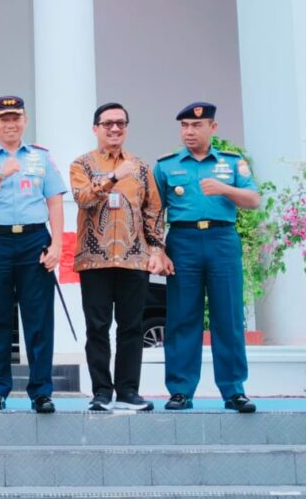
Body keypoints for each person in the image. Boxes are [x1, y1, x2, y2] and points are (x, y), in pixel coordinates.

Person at [0, 95, 66, 414]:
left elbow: (55, 202)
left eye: (16, 118)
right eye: (4, 119)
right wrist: (0, 175)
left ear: (25, 121)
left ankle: (41, 391)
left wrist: (58, 245)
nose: (10, 124)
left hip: (35, 240)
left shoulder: (41, 158)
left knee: (38, 319)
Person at [154, 101, 261, 413]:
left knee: (227, 317)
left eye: (196, 125)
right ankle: (180, 391)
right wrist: (158, 250)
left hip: (222, 240)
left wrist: (225, 189)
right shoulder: (167, 165)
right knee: (182, 318)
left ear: (212, 128)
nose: (189, 131)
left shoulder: (232, 163)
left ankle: (234, 390)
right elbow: (153, 213)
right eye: (185, 125)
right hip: (182, 241)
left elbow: (253, 199)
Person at [70, 102, 169, 411]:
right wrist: (113, 176)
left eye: (121, 123)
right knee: (97, 327)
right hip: (94, 259)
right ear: (96, 128)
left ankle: (128, 390)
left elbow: (153, 210)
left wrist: (157, 249)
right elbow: (83, 197)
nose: (115, 129)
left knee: (131, 327)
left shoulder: (140, 167)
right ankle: (101, 391)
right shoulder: (82, 164)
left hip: (133, 258)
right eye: (108, 123)